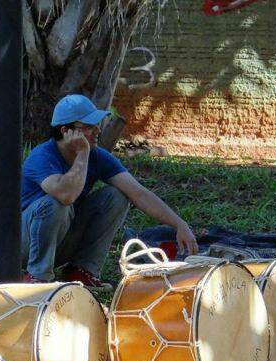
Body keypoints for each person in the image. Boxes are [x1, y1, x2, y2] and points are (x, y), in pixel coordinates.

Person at [20, 94, 198, 290]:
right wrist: (82, 154)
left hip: (60, 241)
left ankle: (82, 271)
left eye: (97, 124)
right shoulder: (42, 156)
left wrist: (179, 224)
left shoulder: (98, 156)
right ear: (66, 131)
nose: (98, 130)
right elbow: (66, 195)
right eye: (89, 127)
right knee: (55, 204)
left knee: (118, 196)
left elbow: (138, 193)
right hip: (23, 246)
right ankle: (38, 277)